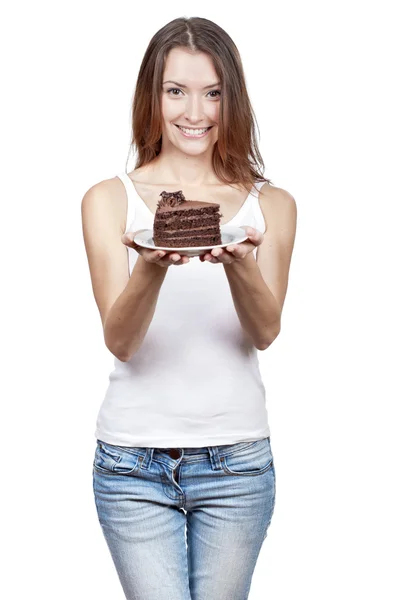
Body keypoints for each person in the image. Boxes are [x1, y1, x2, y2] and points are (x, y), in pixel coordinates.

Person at [81, 16, 297, 600]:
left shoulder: (268, 204)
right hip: (131, 465)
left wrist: (238, 262)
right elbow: (121, 341)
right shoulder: (109, 200)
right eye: (176, 90)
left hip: (238, 464)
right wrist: (149, 266)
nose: (194, 112)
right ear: (152, 95)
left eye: (213, 92)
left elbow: (265, 331)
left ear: (234, 99)